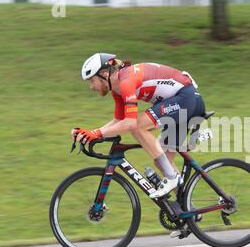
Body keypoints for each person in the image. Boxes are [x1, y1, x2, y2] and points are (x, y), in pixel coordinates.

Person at [73, 53, 206, 198]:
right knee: (162, 162)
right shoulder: (117, 89)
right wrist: (91, 133)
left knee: (138, 126)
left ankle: (172, 178)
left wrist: (97, 133)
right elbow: (119, 120)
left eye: (92, 81)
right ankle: (188, 212)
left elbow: (129, 124)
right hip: (183, 101)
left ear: (104, 74)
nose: (91, 87)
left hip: (186, 98)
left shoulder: (126, 82)